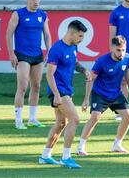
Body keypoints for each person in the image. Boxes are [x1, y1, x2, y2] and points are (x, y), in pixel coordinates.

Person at [39, 20, 90, 168]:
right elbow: (49, 74)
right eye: (80, 36)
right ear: (72, 33)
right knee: (75, 120)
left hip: (67, 90)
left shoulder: (74, 47)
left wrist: (84, 70)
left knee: (61, 124)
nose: (81, 39)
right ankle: (66, 157)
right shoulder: (56, 49)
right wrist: (55, 94)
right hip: (59, 91)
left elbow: (74, 63)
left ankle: (45, 155)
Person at [75, 35, 129, 156]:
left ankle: (117, 145)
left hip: (116, 93)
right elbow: (90, 79)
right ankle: (80, 147)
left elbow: (126, 71)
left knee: (128, 116)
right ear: (112, 49)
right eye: (118, 50)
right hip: (100, 94)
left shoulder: (128, 58)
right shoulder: (101, 61)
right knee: (94, 118)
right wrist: (86, 100)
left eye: (123, 50)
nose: (122, 53)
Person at [6, 0, 52, 129]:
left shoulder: (42, 15)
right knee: (23, 87)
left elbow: (47, 35)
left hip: (37, 55)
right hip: (22, 55)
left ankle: (32, 119)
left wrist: (49, 51)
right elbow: (8, 34)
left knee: (36, 86)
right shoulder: (18, 14)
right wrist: (11, 54)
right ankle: (18, 120)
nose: (36, 2)